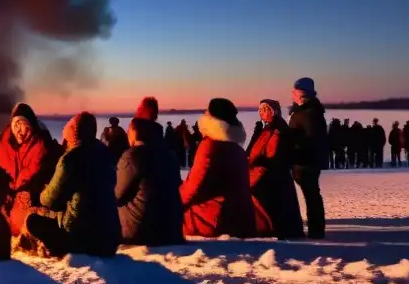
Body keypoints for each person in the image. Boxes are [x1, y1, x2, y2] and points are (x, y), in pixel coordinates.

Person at [22, 112, 121, 258]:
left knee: (32, 220)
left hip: (82, 239)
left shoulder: (70, 159)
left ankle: (57, 249)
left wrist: (42, 192)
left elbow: (49, 200)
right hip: (109, 238)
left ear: (73, 133)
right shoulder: (104, 153)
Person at [181, 99, 255, 238]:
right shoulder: (237, 149)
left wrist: (172, 204)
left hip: (216, 219)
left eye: (207, 111)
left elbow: (194, 187)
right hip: (242, 219)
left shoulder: (210, 146)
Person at [116, 117, 183, 247]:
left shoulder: (132, 156)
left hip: (141, 233)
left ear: (135, 134)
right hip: (171, 231)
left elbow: (117, 195)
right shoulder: (170, 155)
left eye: (129, 131)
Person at [0, 103, 59, 236]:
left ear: (32, 126)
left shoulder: (41, 146)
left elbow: (37, 176)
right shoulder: (1, 145)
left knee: (21, 216)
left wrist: (20, 192)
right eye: (16, 124)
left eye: (25, 125)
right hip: (6, 197)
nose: (20, 130)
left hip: (29, 197)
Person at [247, 100, 304, 239]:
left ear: (273, 111)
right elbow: (253, 151)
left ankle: (271, 228)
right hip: (265, 173)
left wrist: (263, 162)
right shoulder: (267, 128)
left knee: (273, 205)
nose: (261, 112)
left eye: (264, 109)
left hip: (273, 176)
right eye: (259, 109)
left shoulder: (279, 129)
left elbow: (276, 153)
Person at [288, 77, 327, 239]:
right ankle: (315, 228)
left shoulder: (309, 113)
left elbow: (311, 140)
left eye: (294, 90)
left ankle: (316, 230)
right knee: (311, 195)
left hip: (306, 163)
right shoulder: (304, 111)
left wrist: (293, 143)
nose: (292, 93)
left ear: (301, 92)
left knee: (311, 195)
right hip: (304, 161)